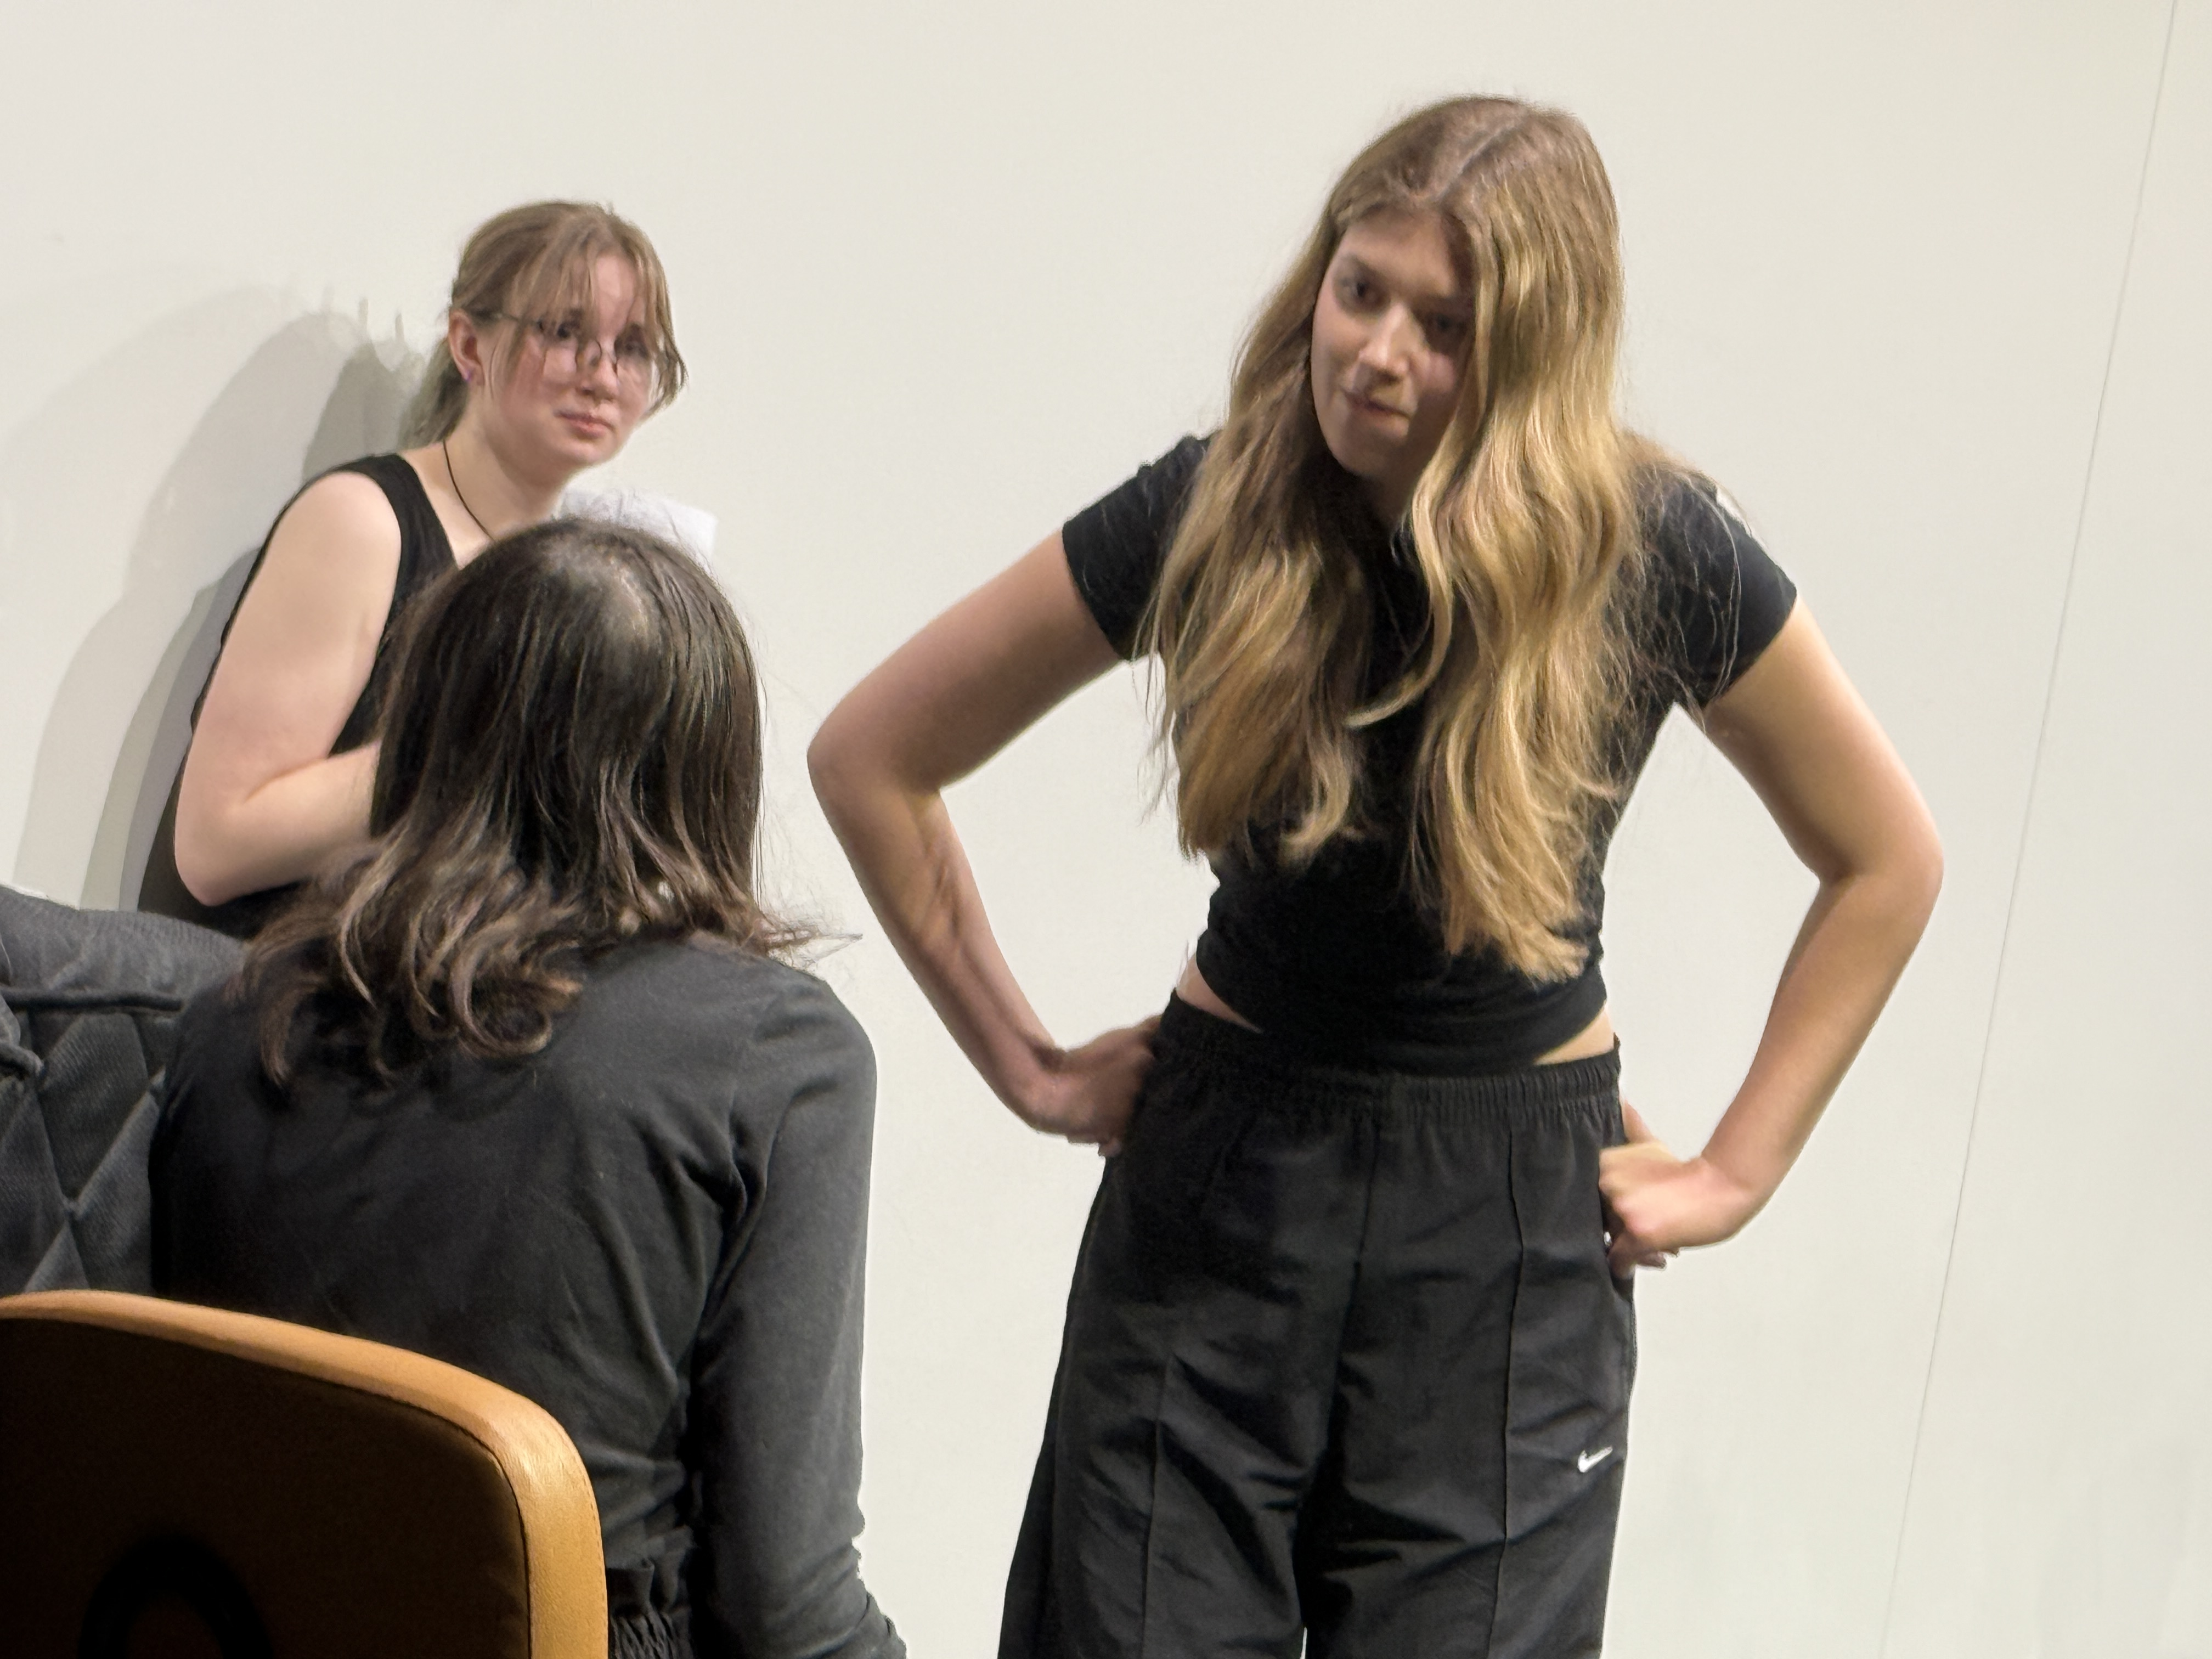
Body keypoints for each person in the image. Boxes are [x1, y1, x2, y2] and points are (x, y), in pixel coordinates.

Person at [808, 96, 1942, 1657]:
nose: (1377, 352)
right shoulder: (1218, 502)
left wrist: (1739, 1171)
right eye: (1360, 291)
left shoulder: (1655, 546)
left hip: (1510, 1244)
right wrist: (1024, 1063)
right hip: (1223, 1190)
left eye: (1444, 324)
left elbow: (1886, 861)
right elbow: (874, 753)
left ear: (1536, 351)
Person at [153, 521, 903, 1659]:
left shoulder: (228, 1018)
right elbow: (788, 1602)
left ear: (426, 735)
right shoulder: (778, 1056)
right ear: (706, 761)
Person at [139, 200, 687, 937]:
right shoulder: (362, 523)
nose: (602, 376)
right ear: (469, 345)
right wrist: (482, 758)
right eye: (565, 333)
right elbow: (216, 846)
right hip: (271, 1007)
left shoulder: (571, 580)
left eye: (635, 349)